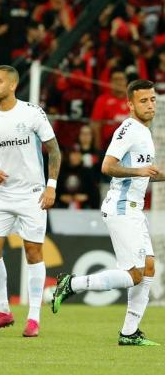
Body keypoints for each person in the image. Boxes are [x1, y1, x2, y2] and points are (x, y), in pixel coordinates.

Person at [52, 79, 165, 346]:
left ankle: (129, 332)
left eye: (152, 100)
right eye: (143, 101)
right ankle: (72, 284)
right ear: (130, 104)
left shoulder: (145, 132)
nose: (150, 105)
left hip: (134, 210)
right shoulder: (128, 129)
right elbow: (107, 166)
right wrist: (138, 171)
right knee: (135, 274)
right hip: (122, 208)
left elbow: (147, 174)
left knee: (148, 268)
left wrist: (148, 173)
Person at [0, 65, 61, 337]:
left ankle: (34, 317)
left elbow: (54, 151)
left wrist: (51, 186)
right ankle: (3, 309)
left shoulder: (32, 113)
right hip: (3, 195)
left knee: (33, 252)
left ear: (13, 85)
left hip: (32, 194)